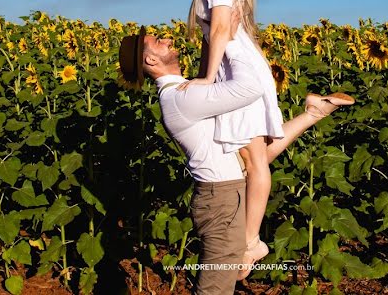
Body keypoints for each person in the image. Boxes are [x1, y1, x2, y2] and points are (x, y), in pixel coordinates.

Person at [119, 17, 354, 295]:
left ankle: (315, 110)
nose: (167, 40)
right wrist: (231, 40)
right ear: (150, 60)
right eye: (158, 42)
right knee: (214, 291)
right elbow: (250, 86)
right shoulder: (182, 98)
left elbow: (254, 159)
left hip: (227, 194)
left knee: (252, 154)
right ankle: (247, 248)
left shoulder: (186, 90)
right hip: (221, 202)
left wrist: (213, 32)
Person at [179, 0, 284, 274]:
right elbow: (213, 38)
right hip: (234, 69)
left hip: (238, 73)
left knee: (254, 161)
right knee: (247, 157)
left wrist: (207, 80)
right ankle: (247, 242)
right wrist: (202, 75)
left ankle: (251, 243)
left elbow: (221, 28)